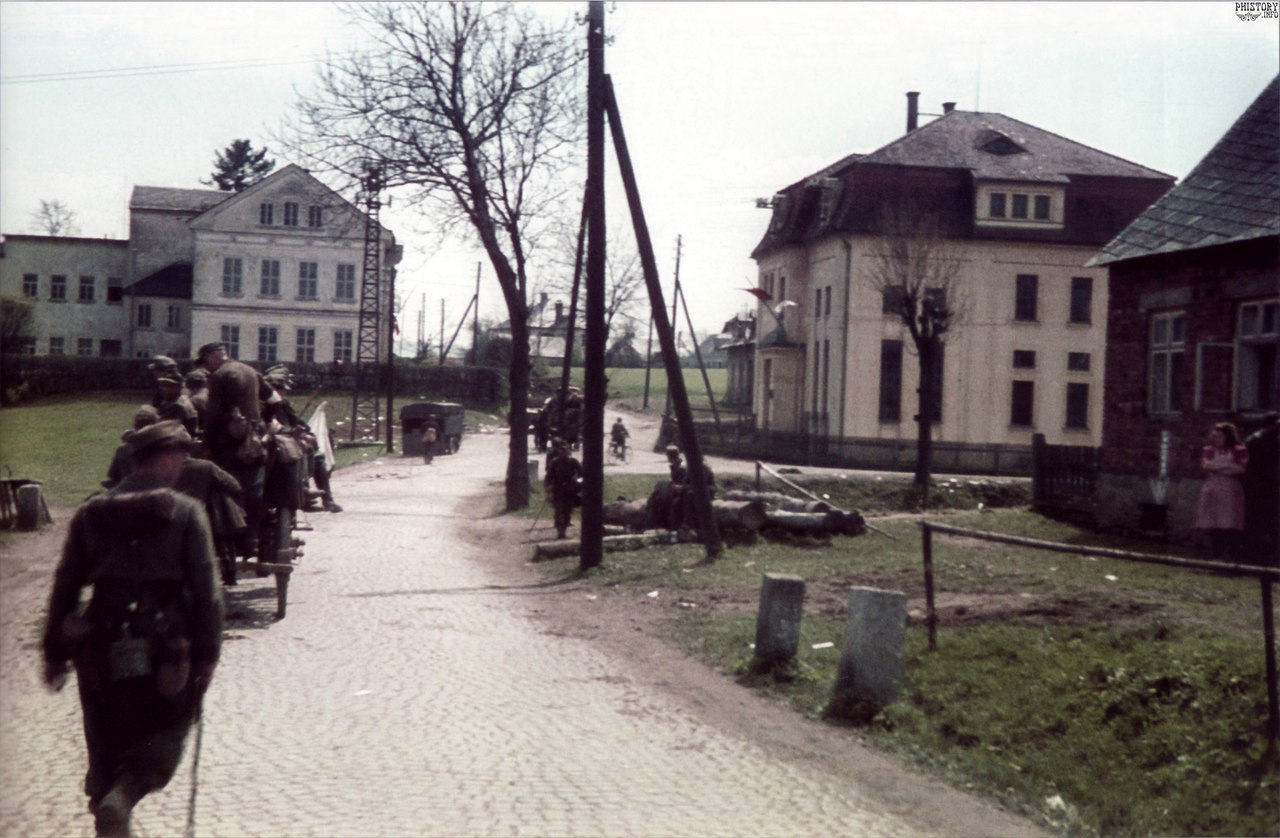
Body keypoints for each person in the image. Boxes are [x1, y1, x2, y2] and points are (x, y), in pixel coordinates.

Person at [42, 421, 223, 837]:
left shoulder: (90, 513)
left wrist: (54, 652)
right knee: (168, 729)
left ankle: (110, 807)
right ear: (164, 459)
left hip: (100, 646)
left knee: (104, 741)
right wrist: (208, 653)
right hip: (166, 646)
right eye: (179, 458)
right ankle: (123, 797)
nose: (181, 466)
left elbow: (66, 584)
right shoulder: (185, 512)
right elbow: (207, 588)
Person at [198, 341, 270, 557]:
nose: (205, 367)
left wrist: (207, 445)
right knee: (254, 489)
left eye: (205, 362)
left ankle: (231, 536)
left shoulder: (219, 376)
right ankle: (253, 536)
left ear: (213, 356)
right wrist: (261, 423)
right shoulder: (250, 371)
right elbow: (274, 400)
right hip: (253, 441)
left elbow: (212, 416)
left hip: (226, 444)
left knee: (225, 489)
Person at [1193, 422, 1249, 561]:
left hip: (1230, 489)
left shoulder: (1239, 450)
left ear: (1228, 437)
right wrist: (1227, 466)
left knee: (1227, 522)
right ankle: (1215, 554)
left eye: (1220, 437)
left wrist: (1217, 466)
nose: (1217, 440)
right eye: (1215, 437)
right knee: (1213, 521)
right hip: (1212, 488)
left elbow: (1240, 469)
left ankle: (1228, 555)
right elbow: (1206, 465)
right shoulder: (1209, 450)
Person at [1241, 413, 1279, 567]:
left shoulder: (1274, 440)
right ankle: (1251, 555)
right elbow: (1247, 465)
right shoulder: (1254, 441)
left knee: (1269, 521)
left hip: (1270, 486)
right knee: (1254, 520)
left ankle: (1266, 555)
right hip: (1255, 487)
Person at [104, 406, 160, 490]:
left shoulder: (123, 449)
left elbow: (112, 474)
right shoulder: (162, 448)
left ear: (135, 425)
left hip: (128, 493)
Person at [544, 439, 582, 539]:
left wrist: (578, 483)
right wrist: (548, 486)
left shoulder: (573, 462)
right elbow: (549, 477)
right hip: (558, 490)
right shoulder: (555, 463)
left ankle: (564, 528)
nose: (563, 452)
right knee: (558, 510)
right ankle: (560, 531)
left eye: (565, 450)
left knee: (567, 511)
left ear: (568, 451)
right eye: (561, 450)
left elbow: (582, 475)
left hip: (570, 491)